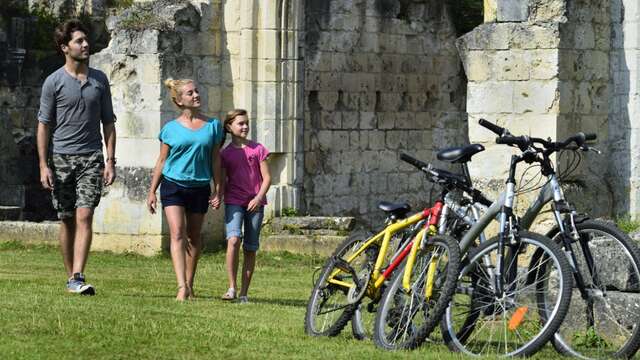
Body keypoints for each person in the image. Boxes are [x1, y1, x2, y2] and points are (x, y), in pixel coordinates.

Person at [37, 19, 116, 295]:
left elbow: (108, 123)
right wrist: (43, 165)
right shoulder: (53, 82)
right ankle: (70, 276)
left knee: (85, 214)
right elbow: (44, 125)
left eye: (86, 40)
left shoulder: (100, 80)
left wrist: (110, 160)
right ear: (64, 48)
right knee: (67, 218)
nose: (85, 45)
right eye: (79, 41)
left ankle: (79, 275)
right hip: (61, 158)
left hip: (91, 157)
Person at [146, 78, 224, 301]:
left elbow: (215, 160)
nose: (196, 95)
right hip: (173, 185)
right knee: (178, 232)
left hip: (199, 187)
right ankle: (181, 286)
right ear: (179, 101)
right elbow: (162, 161)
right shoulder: (170, 129)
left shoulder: (213, 126)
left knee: (193, 236)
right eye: (190, 93)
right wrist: (152, 191)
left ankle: (190, 284)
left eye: (197, 91)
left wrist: (217, 189)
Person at [218, 109, 271, 304]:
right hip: (234, 201)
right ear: (229, 127)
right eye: (240, 123)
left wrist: (258, 198)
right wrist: (217, 196)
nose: (245, 126)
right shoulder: (225, 154)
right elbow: (222, 181)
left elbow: (267, 178)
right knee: (233, 240)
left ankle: (244, 293)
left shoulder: (258, 149)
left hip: (255, 204)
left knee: (250, 248)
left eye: (247, 123)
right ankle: (231, 287)